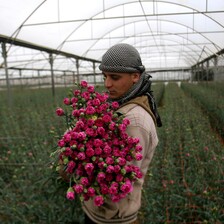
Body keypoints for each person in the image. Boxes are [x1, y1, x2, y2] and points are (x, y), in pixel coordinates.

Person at [82, 43, 162, 224]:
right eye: (105, 76)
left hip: (112, 216)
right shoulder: (121, 104)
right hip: (100, 210)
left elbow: (116, 178)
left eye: (115, 77)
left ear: (135, 76)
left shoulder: (134, 121)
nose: (107, 84)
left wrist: (75, 166)